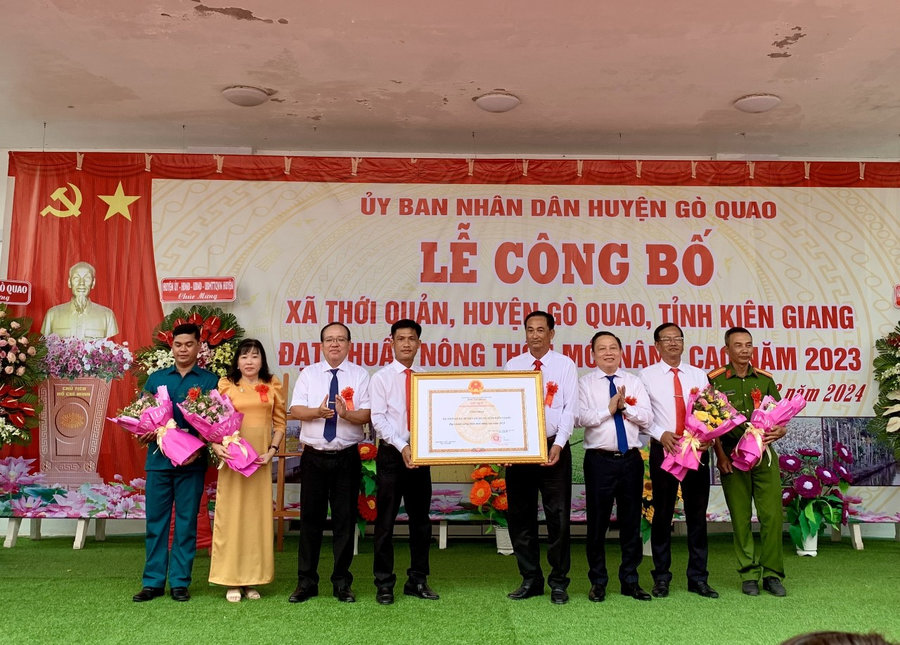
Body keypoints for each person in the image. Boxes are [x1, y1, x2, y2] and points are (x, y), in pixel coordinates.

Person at [132, 323, 218, 603]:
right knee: (156, 523)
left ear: (199, 346)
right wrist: (143, 432)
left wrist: (200, 447)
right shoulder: (156, 379)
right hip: (158, 463)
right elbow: (142, 417)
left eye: (189, 344)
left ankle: (180, 582)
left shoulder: (210, 381)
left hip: (191, 464)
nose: (183, 350)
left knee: (186, 523)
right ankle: (153, 582)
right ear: (171, 346)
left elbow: (216, 425)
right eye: (178, 345)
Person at [288, 322, 371, 603]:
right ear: (322, 345)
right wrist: (317, 412)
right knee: (309, 521)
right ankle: (306, 582)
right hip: (314, 457)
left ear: (349, 344)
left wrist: (346, 415)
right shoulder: (308, 374)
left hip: (346, 457)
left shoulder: (360, 375)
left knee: (344, 522)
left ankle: (342, 583)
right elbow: (295, 409)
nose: (335, 344)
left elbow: (367, 414)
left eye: (340, 339)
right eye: (330, 340)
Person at [503, 310, 578, 604]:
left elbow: (570, 409)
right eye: (530, 330)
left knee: (557, 518)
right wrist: (507, 447)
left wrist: (558, 444)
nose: (535, 335)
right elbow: (506, 408)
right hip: (521, 450)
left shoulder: (565, 365)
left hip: (553, 448)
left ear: (551, 334)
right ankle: (530, 579)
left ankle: (559, 582)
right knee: (520, 517)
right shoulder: (513, 365)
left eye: (541, 330)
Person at [639, 323, 718, 599]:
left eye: (677, 338)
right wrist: (660, 434)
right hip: (666, 449)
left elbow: (712, 412)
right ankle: (661, 577)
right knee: (662, 514)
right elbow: (642, 415)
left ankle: (698, 578)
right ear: (657, 345)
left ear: (683, 343)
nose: (673, 343)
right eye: (666, 339)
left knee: (697, 515)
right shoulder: (646, 376)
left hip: (696, 450)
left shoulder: (698, 374)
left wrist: (708, 436)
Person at [709, 326, 788, 597]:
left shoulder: (765, 380)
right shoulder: (715, 380)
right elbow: (709, 424)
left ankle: (773, 574)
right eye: (738, 345)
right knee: (740, 517)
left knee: (772, 516)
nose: (744, 350)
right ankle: (748, 574)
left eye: (748, 345)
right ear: (727, 350)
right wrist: (720, 456)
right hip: (732, 457)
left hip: (764, 456)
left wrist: (781, 430)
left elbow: (779, 416)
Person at [577, 330, 653, 602]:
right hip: (599, 462)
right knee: (597, 524)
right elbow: (580, 417)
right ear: (593, 354)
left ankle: (630, 580)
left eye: (613, 348)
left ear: (621, 352)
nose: (608, 352)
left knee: (631, 523)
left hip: (630, 460)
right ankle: (598, 582)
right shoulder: (585, 383)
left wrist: (624, 408)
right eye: (602, 348)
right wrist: (607, 410)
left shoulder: (633, 381)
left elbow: (647, 417)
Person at [209, 339, 286, 602]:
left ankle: (252, 579)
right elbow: (214, 422)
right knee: (232, 518)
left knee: (256, 520)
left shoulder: (272, 384)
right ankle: (231, 579)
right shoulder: (226, 384)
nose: (249, 361)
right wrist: (216, 445)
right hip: (233, 461)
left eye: (254, 356)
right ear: (237, 361)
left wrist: (272, 451)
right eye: (244, 356)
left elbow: (280, 424)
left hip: (260, 462)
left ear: (262, 360)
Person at [369, 319, 438, 605]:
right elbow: (378, 419)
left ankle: (417, 580)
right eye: (401, 339)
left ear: (419, 344)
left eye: (411, 339)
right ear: (392, 343)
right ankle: (384, 583)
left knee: (420, 521)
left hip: (420, 455)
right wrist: (402, 446)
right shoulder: (381, 378)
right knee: (385, 522)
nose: (406, 344)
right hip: (391, 455)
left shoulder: (427, 378)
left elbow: (434, 414)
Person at [41, 261, 119, 339]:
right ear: (69, 282)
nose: (81, 283)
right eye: (76, 278)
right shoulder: (52, 314)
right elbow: (44, 344)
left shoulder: (107, 315)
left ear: (93, 283)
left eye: (87, 278)